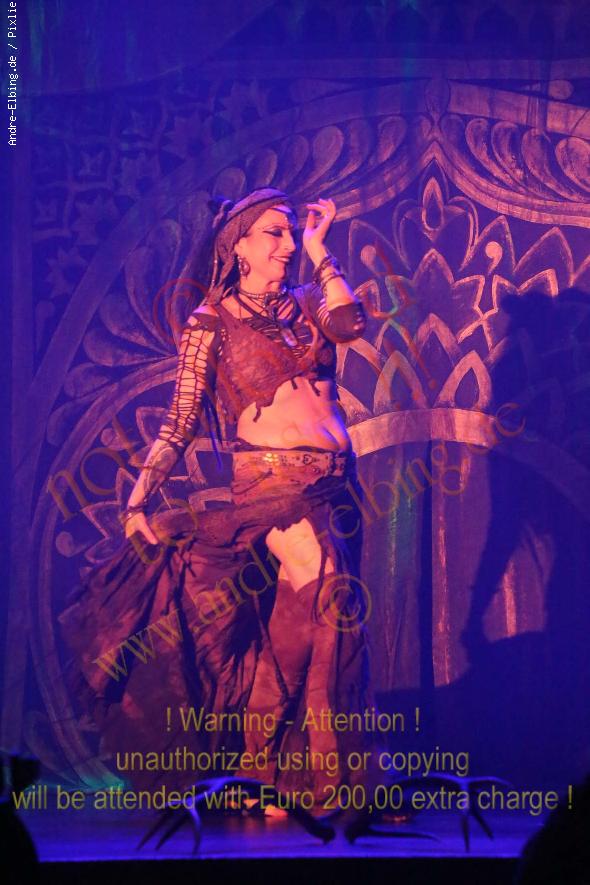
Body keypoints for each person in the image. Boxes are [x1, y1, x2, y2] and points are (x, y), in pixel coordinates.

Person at [59, 187, 373, 810]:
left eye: (292, 233)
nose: (288, 244)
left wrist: (321, 249)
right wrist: (137, 502)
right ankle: (336, 779)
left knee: (295, 632)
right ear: (239, 248)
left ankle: (259, 769)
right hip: (273, 487)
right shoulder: (210, 323)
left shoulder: (305, 304)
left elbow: (350, 324)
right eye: (276, 233)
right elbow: (179, 422)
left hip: (337, 485)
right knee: (333, 595)